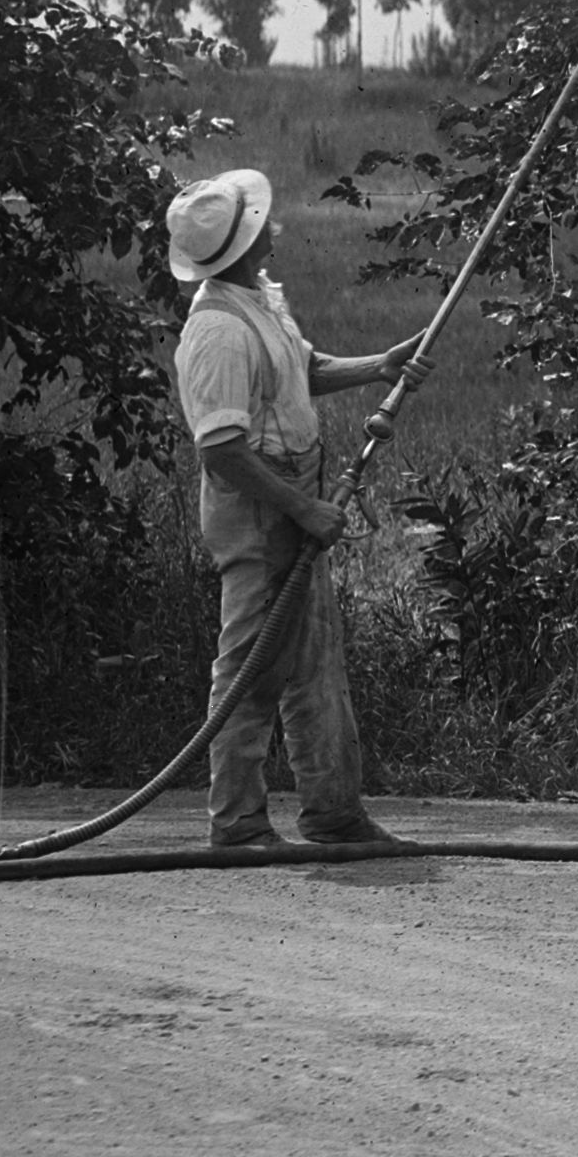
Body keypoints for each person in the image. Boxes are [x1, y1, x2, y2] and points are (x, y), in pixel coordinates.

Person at [164, 167, 430, 856]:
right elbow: (222, 449)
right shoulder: (217, 330)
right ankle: (239, 822)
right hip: (259, 508)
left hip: (292, 495)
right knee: (251, 667)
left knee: (313, 663)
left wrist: (381, 364)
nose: (269, 226)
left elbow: (300, 367)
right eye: (258, 223)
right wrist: (303, 509)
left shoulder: (260, 300)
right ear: (245, 240)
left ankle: (334, 813)